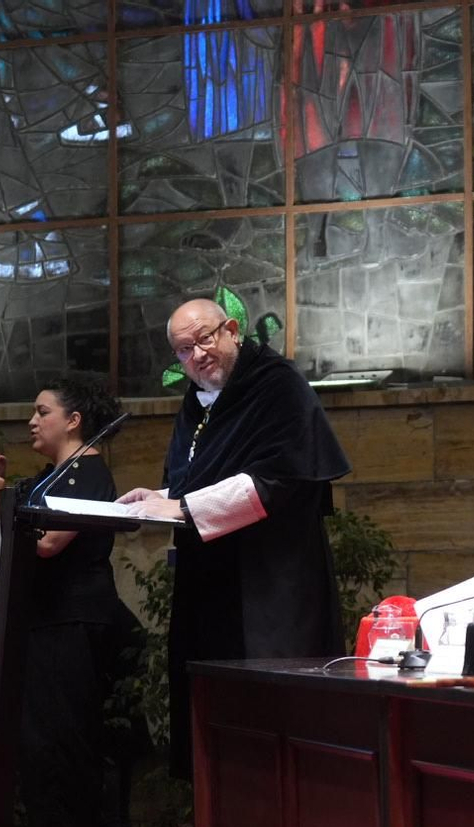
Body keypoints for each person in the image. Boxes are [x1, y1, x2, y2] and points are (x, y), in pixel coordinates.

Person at [120, 298, 350, 779]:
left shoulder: (277, 385)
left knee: (269, 727)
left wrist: (183, 507)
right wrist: (161, 496)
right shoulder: (198, 399)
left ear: (231, 329)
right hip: (209, 583)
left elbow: (281, 478)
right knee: (212, 722)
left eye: (204, 339)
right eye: (184, 350)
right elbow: (202, 477)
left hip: (269, 583)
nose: (197, 355)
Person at [0, 374, 135, 827]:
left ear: (74, 420)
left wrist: (0, 498)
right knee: (40, 739)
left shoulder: (88, 473)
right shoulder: (50, 476)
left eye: (42, 411)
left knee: (66, 735)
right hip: (43, 617)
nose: (32, 421)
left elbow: (45, 543)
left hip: (74, 617)